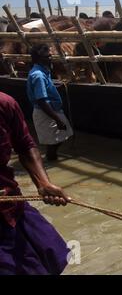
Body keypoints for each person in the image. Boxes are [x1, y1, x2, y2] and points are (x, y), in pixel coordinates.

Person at [0, 92, 71, 274]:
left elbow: (25, 145)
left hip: (10, 204)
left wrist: (43, 183)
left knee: (51, 253)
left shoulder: (5, 104)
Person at [26, 44, 73, 161]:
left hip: (48, 110)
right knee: (55, 141)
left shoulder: (40, 72)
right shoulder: (39, 75)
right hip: (46, 112)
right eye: (47, 57)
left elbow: (43, 92)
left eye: (50, 56)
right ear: (39, 58)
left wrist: (55, 87)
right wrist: (57, 119)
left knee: (58, 137)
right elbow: (41, 100)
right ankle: (50, 160)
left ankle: (50, 158)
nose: (50, 58)